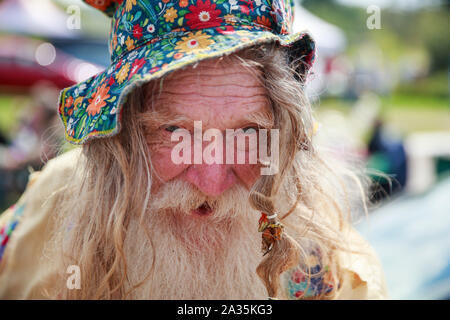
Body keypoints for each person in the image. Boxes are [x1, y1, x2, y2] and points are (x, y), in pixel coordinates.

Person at [0, 0, 387, 299]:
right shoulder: (52, 207)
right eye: (173, 130)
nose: (212, 183)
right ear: (118, 139)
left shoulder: (336, 276)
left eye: (248, 132)